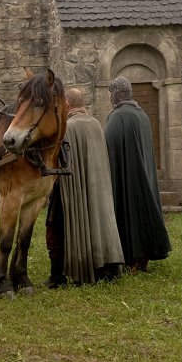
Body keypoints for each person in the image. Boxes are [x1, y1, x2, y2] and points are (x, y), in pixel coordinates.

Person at [45, 88, 125, 287]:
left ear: (67, 104)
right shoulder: (96, 124)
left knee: (53, 228)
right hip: (96, 189)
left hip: (70, 189)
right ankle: (103, 267)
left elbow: (60, 162)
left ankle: (57, 277)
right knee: (94, 223)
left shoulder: (68, 127)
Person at [104, 76, 171, 273]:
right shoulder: (141, 114)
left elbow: (107, 145)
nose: (109, 97)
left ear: (116, 94)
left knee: (128, 214)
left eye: (110, 93)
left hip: (127, 177)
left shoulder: (118, 116)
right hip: (143, 178)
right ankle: (142, 259)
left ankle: (132, 259)